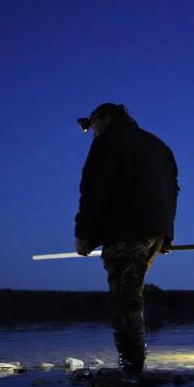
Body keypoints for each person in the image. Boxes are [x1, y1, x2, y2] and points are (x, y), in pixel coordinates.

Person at [74, 103, 179, 372]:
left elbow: (93, 189)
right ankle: (134, 364)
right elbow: (173, 190)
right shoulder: (159, 146)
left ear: (105, 118)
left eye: (91, 125)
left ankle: (131, 368)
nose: (91, 132)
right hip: (155, 232)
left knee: (125, 299)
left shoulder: (109, 141)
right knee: (132, 292)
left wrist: (83, 234)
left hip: (126, 230)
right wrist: (165, 235)